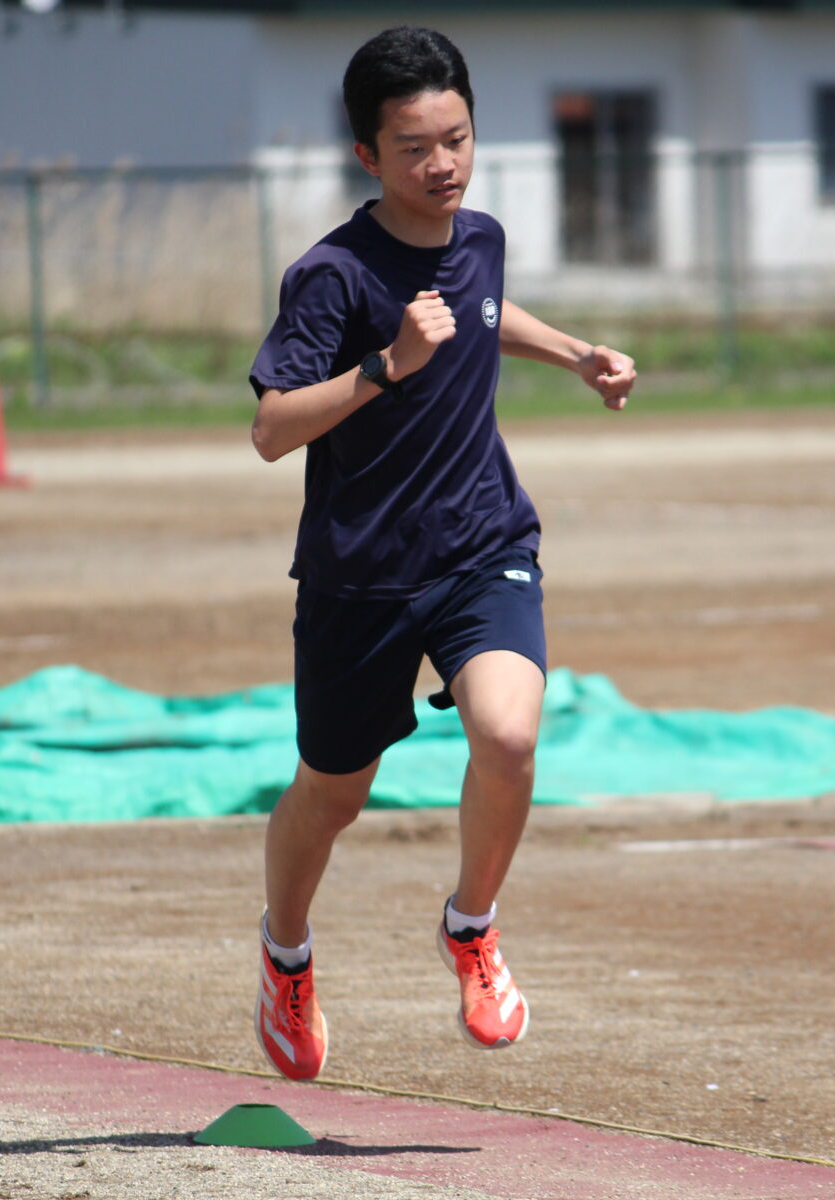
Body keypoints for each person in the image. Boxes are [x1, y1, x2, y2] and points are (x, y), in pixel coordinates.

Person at [246, 25, 637, 1082]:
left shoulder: (483, 236)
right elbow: (274, 428)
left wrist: (576, 355)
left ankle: (472, 925)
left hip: (480, 544)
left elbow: (484, 311)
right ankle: (287, 954)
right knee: (332, 794)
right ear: (368, 156)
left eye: (457, 139)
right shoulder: (328, 276)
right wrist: (386, 368)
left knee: (508, 738)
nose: (443, 165)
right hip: (359, 574)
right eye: (415, 148)